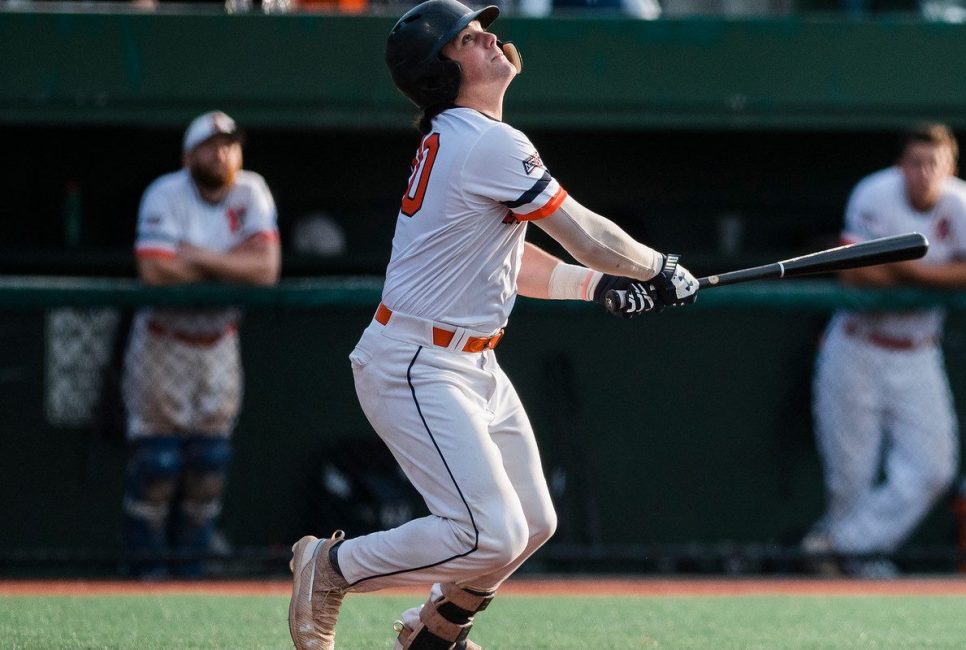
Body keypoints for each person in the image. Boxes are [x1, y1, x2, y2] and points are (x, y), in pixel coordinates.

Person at [286, 2, 698, 649]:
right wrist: (658, 267)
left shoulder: (466, 140)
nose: (490, 38)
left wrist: (602, 285)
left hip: (470, 362)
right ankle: (332, 567)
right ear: (440, 74)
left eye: (481, 29)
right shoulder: (485, 140)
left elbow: (519, 262)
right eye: (468, 39)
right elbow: (586, 234)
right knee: (490, 532)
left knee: (533, 523)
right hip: (417, 361)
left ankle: (434, 631)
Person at [805, 123, 966, 576]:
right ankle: (852, 569)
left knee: (933, 469)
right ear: (900, 165)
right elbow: (856, 273)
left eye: (934, 163)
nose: (924, 172)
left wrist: (905, 270)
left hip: (918, 350)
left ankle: (839, 547)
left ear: (950, 168)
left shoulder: (965, 204)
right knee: (849, 480)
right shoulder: (874, 193)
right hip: (857, 345)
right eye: (915, 162)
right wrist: (935, 272)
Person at [122, 110, 281, 577]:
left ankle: (191, 572)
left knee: (211, 461)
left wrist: (195, 257)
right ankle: (143, 571)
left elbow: (266, 271)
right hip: (163, 340)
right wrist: (232, 262)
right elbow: (155, 270)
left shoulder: (251, 189)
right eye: (210, 145)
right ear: (189, 155)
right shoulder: (166, 192)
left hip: (217, 341)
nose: (222, 153)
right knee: (157, 464)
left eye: (230, 144)